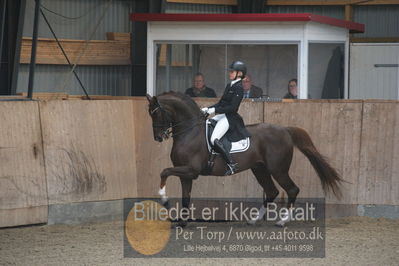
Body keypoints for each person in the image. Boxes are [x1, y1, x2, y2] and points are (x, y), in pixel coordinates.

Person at [201, 61, 251, 175]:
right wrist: (208, 109)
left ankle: (231, 163)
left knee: (214, 139)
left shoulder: (239, 88)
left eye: (232, 71)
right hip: (223, 115)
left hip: (230, 118)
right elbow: (221, 103)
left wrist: (214, 110)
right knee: (208, 124)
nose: (230, 73)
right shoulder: (230, 85)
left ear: (239, 73)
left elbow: (233, 108)